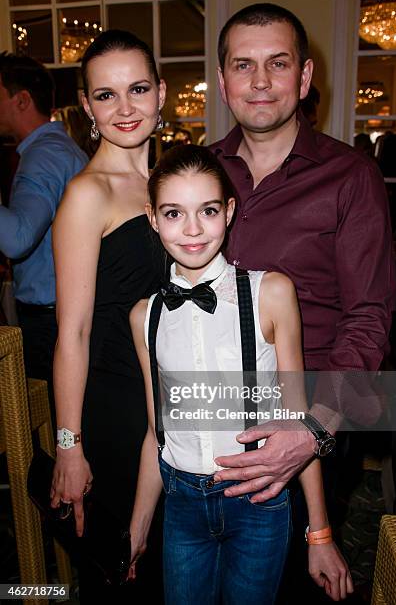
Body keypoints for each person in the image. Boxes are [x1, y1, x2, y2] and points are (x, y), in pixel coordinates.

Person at [128, 144, 353, 604]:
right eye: (173, 213)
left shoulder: (270, 293)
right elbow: (158, 432)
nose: (192, 230)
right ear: (152, 218)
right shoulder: (144, 316)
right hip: (181, 502)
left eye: (207, 210)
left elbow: (299, 421)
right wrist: (138, 528)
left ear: (229, 212)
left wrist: (321, 533)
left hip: (257, 504)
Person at [207, 2, 395, 502]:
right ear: (223, 80)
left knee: (297, 573)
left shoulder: (352, 177)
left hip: (308, 421)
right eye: (243, 65)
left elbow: (368, 316)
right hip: (207, 410)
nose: (261, 81)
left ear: (305, 75)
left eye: (279, 62)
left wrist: (313, 429)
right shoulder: (196, 174)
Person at [50, 30, 166, 603]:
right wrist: (70, 445)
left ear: (162, 94)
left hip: (168, 401)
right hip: (116, 409)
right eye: (106, 95)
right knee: (122, 569)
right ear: (88, 108)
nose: (124, 108)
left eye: (137, 89)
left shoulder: (169, 183)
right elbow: (70, 332)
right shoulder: (86, 194)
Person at [0, 52, 88, 402]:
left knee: (45, 421)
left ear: (21, 99)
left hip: (48, 320)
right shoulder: (57, 148)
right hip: (59, 312)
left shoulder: (44, 155)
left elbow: (17, 239)